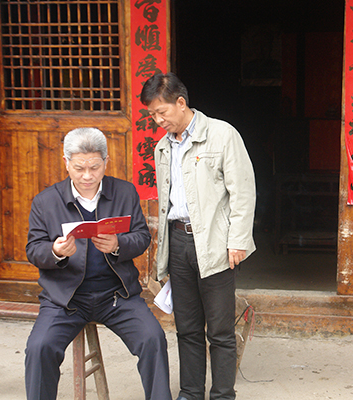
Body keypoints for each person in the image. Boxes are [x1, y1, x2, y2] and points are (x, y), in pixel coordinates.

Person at [25, 128, 172, 400]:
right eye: (79, 168)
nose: (87, 176)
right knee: (39, 347)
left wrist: (118, 244)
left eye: (94, 167)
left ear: (106, 161)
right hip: (65, 299)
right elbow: (33, 250)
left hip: (117, 295)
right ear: (66, 163)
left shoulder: (124, 192)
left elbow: (141, 237)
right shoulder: (46, 201)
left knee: (153, 338)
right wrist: (55, 251)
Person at [140, 72, 256, 400]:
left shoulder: (221, 135)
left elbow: (243, 192)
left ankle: (222, 394)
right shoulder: (163, 147)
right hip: (178, 241)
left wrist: (238, 241)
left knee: (220, 329)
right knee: (187, 327)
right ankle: (190, 393)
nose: (158, 120)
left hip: (215, 243)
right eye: (152, 115)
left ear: (181, 103)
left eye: (161, 112)